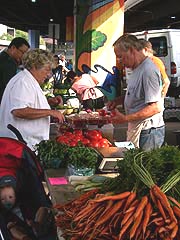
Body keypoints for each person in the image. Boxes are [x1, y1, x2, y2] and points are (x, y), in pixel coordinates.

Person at [107, 34, 165, 151]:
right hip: (139, 129)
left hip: (148, 132)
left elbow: (155, 107)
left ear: (132, 50)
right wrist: (118, 100)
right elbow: (138, 95)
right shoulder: (136, 68)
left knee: (144, 165)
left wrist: (125, 118)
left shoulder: (148, 70)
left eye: (121, 56)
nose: (120, 61)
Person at [0, 49, 65, 150]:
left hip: (26, 145)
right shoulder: (23, 82)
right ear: (35, 66)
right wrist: (50, 112)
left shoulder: (28, 80)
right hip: (20, 146)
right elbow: (18, 111)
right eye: (47, 69)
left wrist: (49, 102)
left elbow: (28, 105)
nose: (49, 74)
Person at [0, 37, 30, 103]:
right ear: (13, 48)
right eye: (22, 52)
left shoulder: (3, 56)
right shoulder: (8, 62)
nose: (23, 56)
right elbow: (11, 86)